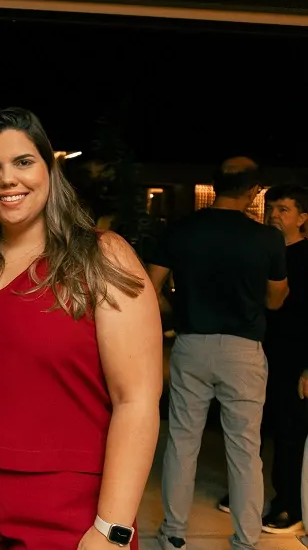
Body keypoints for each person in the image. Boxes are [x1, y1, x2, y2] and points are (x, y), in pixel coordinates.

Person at [0, 107, 162, 549]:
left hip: (66, 506)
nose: (7, 179)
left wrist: (112, 528)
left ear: (50, 171)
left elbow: (136, 399)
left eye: (23, 162)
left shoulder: (101, 255)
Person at [148, 157, 288, 550]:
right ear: (252, 191)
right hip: (243, 350)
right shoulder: (266, 238)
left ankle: (174, 533)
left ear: (215, 184)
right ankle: (246, 540)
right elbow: (276, 300)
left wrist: (176, 312)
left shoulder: (182, 231)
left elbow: (148, 284)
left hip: (192, 344)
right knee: (245, 449)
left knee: (182, 440)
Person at [258, 184, 308, 533]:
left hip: (295, 357)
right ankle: (247, 493)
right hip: (257, 351)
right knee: (251, 428)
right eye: (270, 208)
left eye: (284, 210)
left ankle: (289, 505)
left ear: (303, 218)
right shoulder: (259, 249)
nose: (274, 215)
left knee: (290, 433)